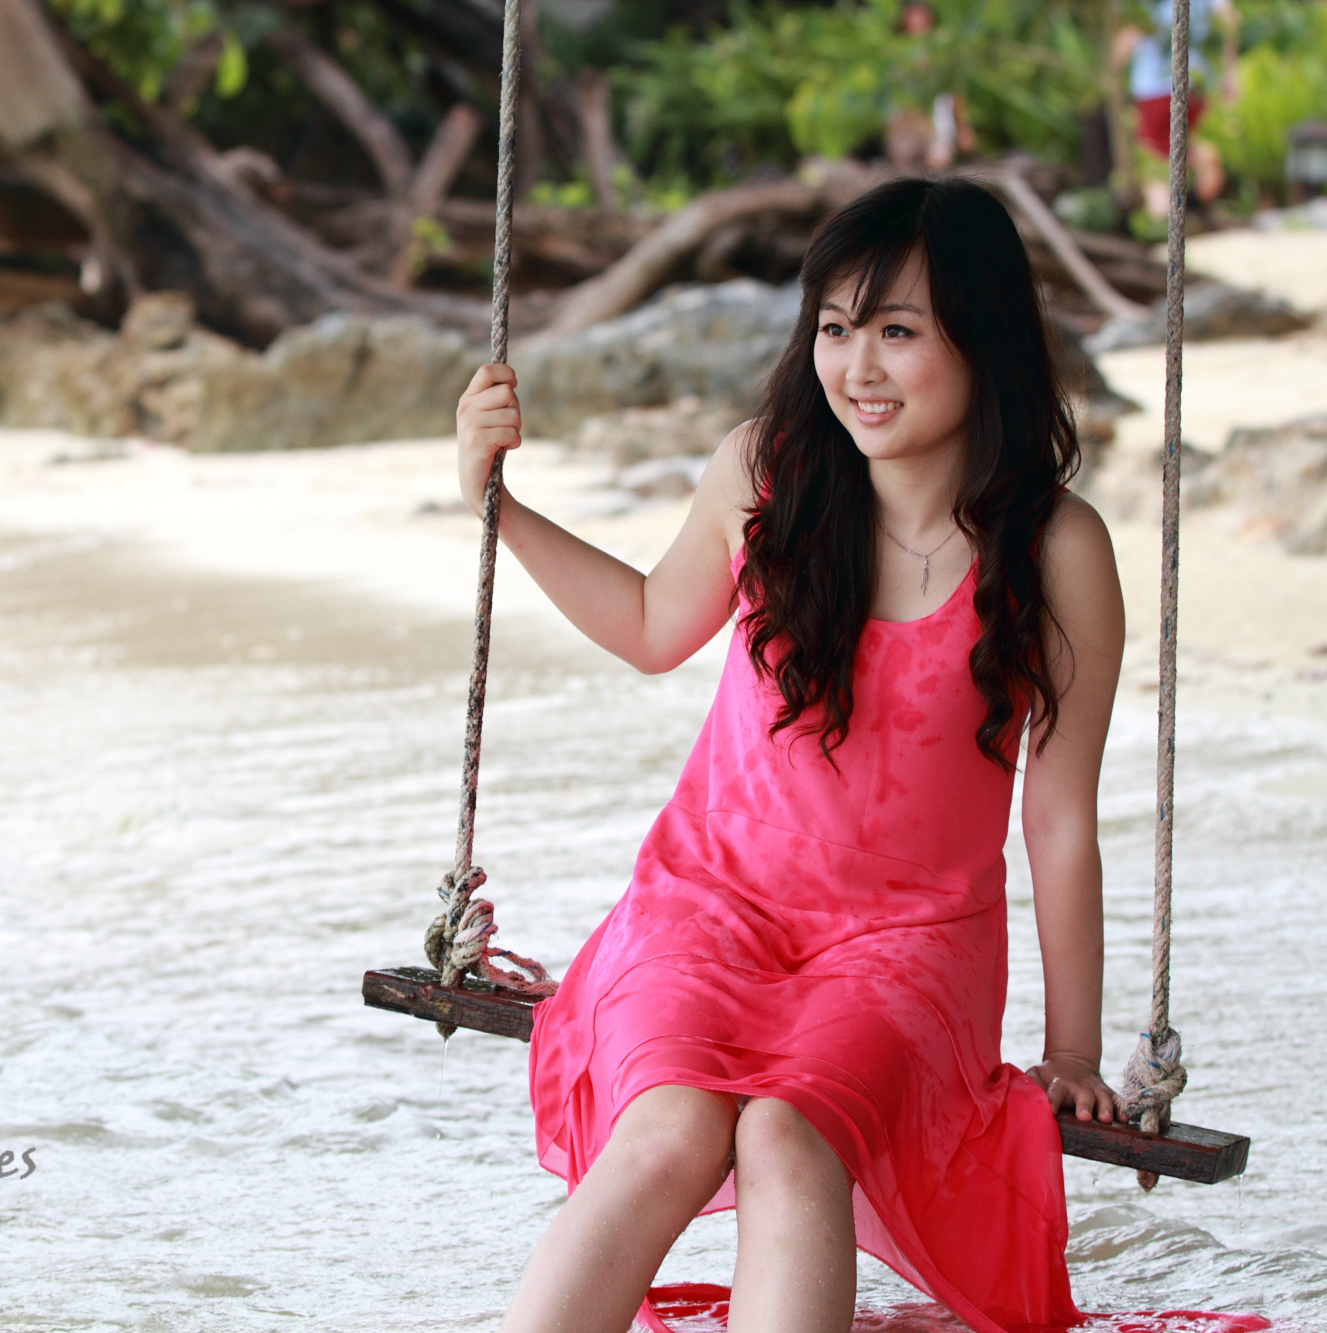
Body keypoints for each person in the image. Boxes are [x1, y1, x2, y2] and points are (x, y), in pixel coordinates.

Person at [454, 176, 1124, 1333]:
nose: (857, 367)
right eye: (834, 328)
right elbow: (651, 626)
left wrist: (1071, 1047)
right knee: (666, 1125)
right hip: (707, 903)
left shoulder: (1053, 547)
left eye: (897, 332)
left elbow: (1057, 816)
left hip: (906, 942)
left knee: (788, 1129)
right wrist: (496, 506)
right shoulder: (764, 474)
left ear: (982, 340)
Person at [1115, 0, 1239, 216]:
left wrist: (1112, 70)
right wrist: (1229, 73)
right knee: (1177, 145)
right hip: (1196, 84)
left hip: (1154, 88)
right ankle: (1201, 160)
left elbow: (1128, 36)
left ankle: (1159, 220)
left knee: (1153, 159)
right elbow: (1229, 19)